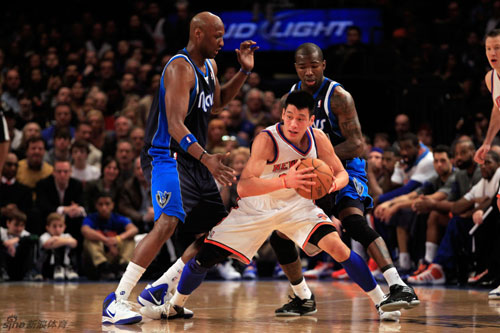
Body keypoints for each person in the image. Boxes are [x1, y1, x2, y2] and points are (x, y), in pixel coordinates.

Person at [141, 91, 405, 321]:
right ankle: (176, 306)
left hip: (298, 207)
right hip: (257, 208)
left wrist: (331, 185)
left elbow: (341, 173)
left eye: (300, 118)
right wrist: (285, 180)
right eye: (289, 116)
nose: (293, 123)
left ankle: (381, 301)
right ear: (282, 114)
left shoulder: (319, 138)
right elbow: (244, 187)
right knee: (205, 258)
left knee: (338, 247)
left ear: (311, 120)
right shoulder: (266, 139)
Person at [101, 11, 257, 325]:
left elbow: (217, 103)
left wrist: (243, 71)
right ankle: (116, 301)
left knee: (218, 231)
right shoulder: (178, 68)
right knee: (168, 222)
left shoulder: (210, 66)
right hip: (165, 155)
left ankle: (157, 290)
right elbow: (174, 125)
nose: (222, 42)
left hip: (193, 157)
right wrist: (207, 159)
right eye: (217, 36)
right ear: (198, 34)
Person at [269, 42, 418, 315]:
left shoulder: (338, 97)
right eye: (303, 67)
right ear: (295, 68)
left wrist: (318, 160)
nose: (309, 71)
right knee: (280, 234)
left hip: (346, 167)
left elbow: (357, 144)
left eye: (314, 65)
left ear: (323, 64)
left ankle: (398, 285)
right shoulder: (288, 100)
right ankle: (303, 297)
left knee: (353, 221)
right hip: (313, 174)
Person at [82, 191, 138, 281]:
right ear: (96, 206)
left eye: (107, 204)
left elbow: (134, 229)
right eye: (100, 204)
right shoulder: (91, 218)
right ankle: (103, 266)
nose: (104, 207)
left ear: (112, 205)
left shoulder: (118, 218)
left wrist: (118, 239)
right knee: (89, 240)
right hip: (98, 258)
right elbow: (85, 230)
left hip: (115, 255)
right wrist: (106, 240)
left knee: (130, 239)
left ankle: (123, 267)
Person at [475, 29, 500, 165]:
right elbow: (498, 109)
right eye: (488, 48)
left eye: (497, 48)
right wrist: (487, 142)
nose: (492, 53)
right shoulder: (490, 78)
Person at [39, 213, 78, 281]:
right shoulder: (45, 236)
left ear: (64, 227)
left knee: (70, 251)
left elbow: (74, 243)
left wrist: (56, 239)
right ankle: (57, 269)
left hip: (65, 263)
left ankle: (67, 269)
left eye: (60, 226)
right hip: (49, 266)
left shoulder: (66, 235)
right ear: (47, 227)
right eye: (54, 226)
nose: (57, 229)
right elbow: (46, 245)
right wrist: (65, 241)